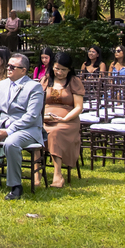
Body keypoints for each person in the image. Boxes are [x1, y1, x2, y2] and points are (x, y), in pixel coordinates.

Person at [0, 53, 46, 200]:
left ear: (23, 70)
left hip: (27, 129)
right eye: (8, 66)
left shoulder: (34, 87)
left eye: (13, 67)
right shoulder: (3, 85)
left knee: (11, 143)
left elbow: (31, 116)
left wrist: (8, 131)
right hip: (1, 126)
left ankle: (15, 186)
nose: (8, 68)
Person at [41, 51, 84, 188]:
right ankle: (36, 173)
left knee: (55, 132)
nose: (59, 72)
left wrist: (65, 119)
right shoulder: (46, 80)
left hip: (67, 121)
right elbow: (37, 102)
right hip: (46, 118)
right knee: (37, 130)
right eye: (57, 68)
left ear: (69, 69)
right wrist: (42, 116)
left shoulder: (74, 82)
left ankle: (57, 175)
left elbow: (78, 107)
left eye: (63, 70)